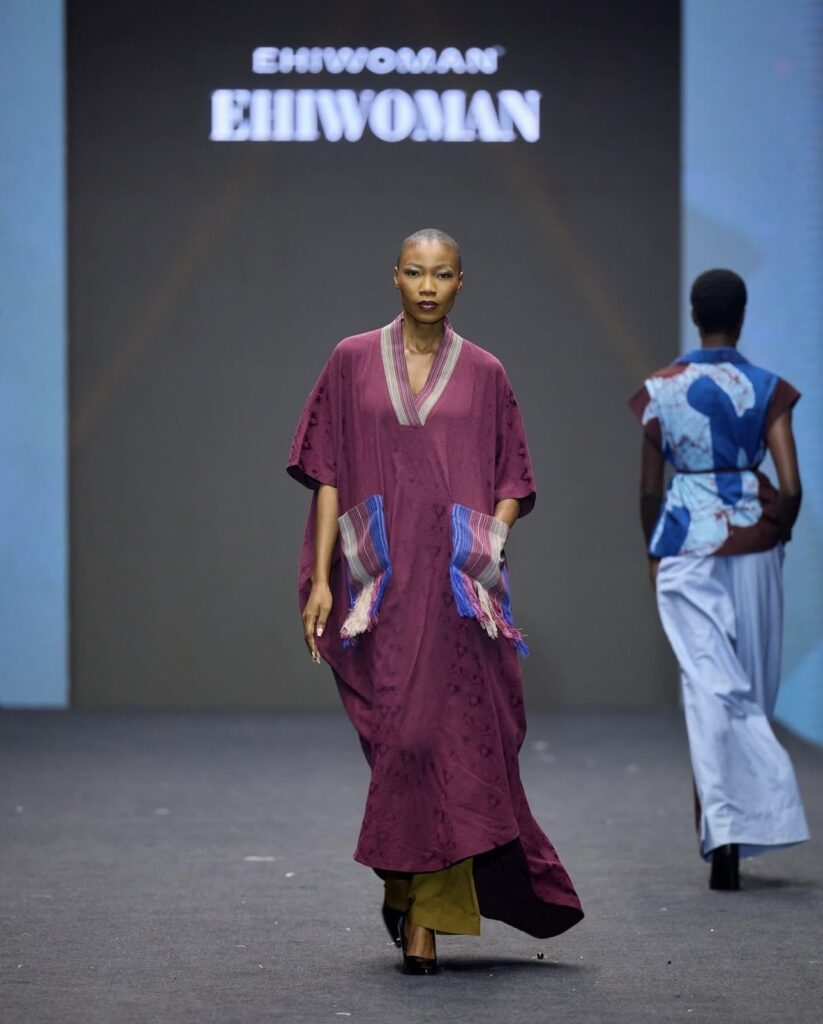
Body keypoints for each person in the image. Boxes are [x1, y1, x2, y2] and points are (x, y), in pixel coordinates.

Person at [287, 228, 582, 974]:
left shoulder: (484, 371)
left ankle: (424, 922)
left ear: (460, 282)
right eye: (415, 272)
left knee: (450, 741)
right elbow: (326, 471)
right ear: (394, 277)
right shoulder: (352, 359)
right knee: (402, 742)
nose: (427, 286)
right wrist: (320, 579)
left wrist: (488, 541)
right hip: (381, 583)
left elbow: (513, 477)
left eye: (441, 274)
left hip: (457, 587)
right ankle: (402, 885)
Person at [628, 268, 810, 890]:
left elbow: (649, 489)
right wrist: (777, 533)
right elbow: (791, 485)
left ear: (693, 313)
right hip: (754, 541)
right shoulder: (766, 387)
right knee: (750, 685)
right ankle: (752, 815)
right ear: (743, 314)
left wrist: (653, 552)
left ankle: (722, 834)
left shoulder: (660, 389)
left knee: (708, 689)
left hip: (684, 543)